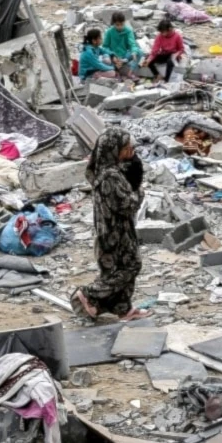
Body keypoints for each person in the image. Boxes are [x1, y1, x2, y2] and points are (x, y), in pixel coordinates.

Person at [71, 127, 150, 321]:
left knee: (121, 267)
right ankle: (89, 295)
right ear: (114, 149)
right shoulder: (110, 176)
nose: (130, 151)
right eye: (126, 148)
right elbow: (126, 205)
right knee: (128, 267)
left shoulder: (109, 171)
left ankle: (122, 308)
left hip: (115, 229)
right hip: (115, 232)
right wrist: (139, 191)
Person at [142, 18, 186, 83]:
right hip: (165, 53)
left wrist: (176, 54)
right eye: (161, 32)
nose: (162, 34)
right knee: (149, 59)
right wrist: (149, 60)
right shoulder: (159, 36)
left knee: (170, 61)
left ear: (170, 29)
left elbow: (181, 49)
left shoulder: (177, 36)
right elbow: (155, 50)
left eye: (163, 32)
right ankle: (157, 75)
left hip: (174, 55)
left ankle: (166, 80)